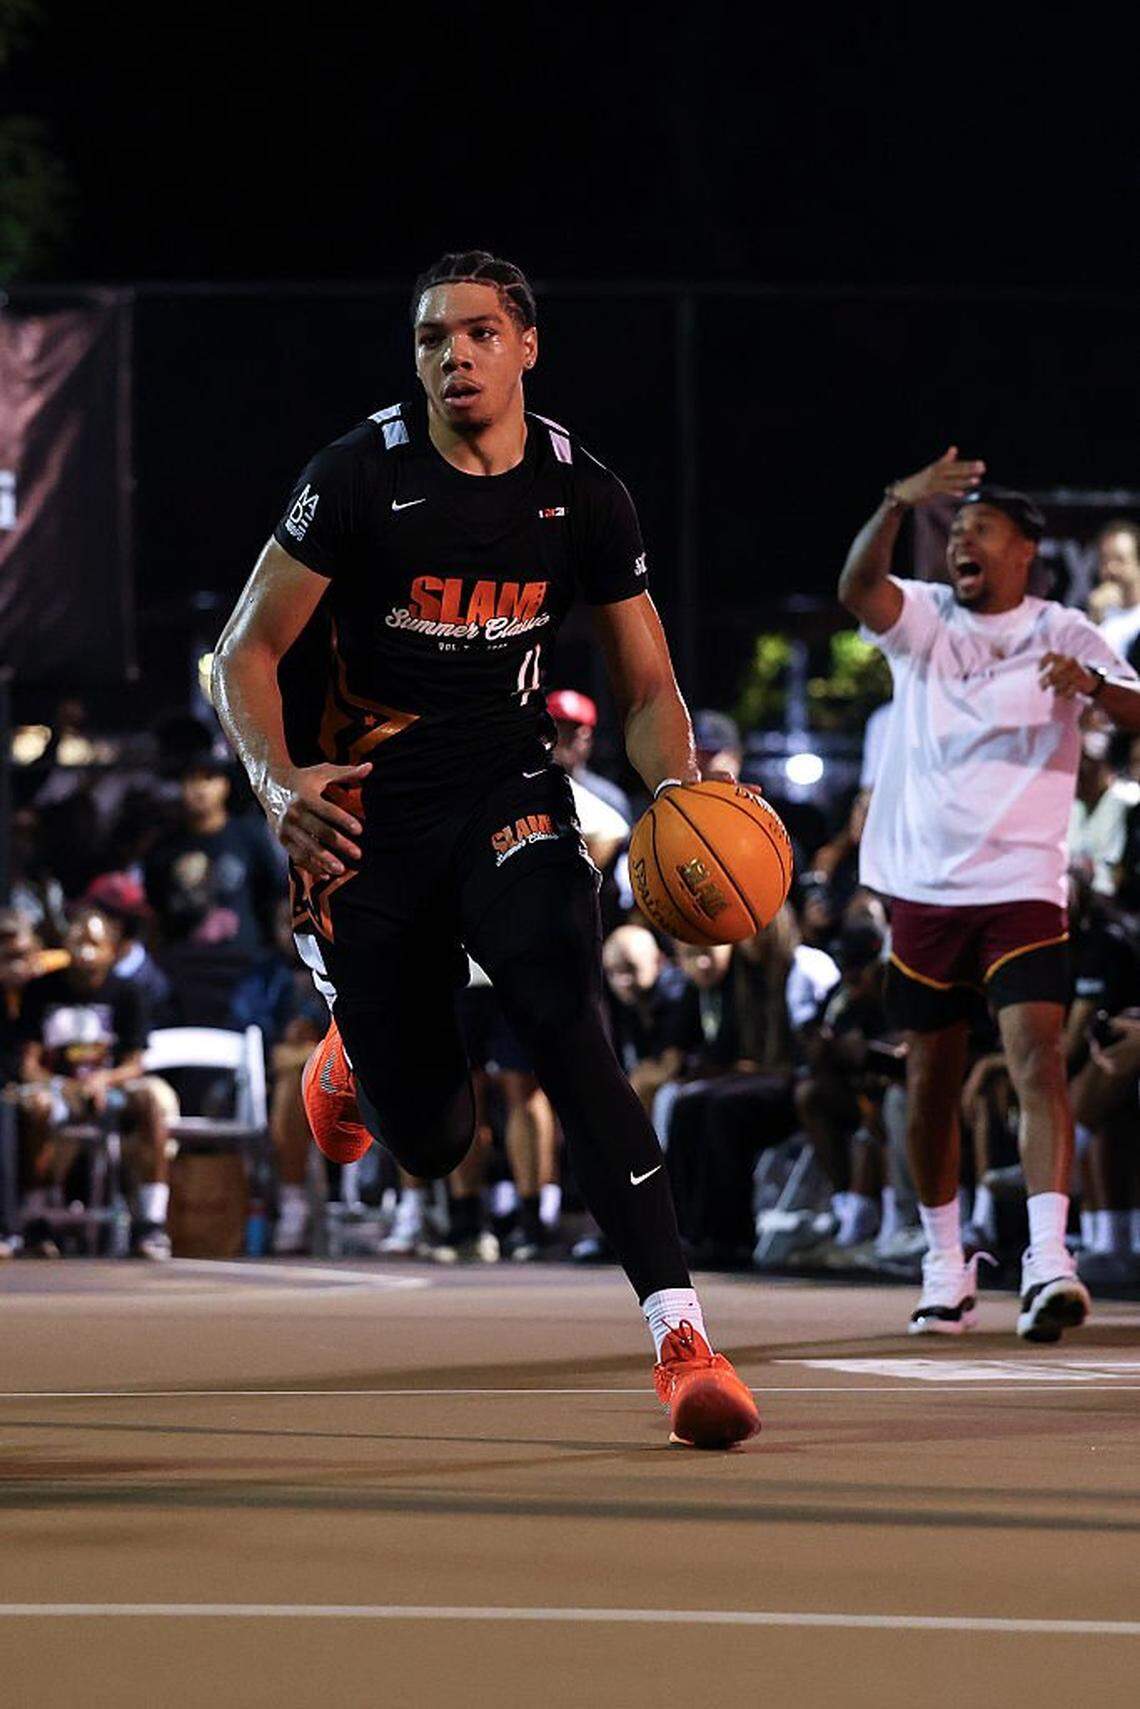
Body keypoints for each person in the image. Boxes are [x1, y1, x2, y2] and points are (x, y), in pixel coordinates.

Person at [210, 249, 759, 1448]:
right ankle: (359, 1045)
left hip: (510, 783)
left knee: (564, 1001)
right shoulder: (357, 475)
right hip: (370, 807)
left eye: (473, 332)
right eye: (428, 338)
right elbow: (242, 650)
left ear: (524, 346)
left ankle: (681, 1335)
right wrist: (275, 779)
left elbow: (649, 682)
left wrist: (678, 792)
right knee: (434, 1139)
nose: (449, 354)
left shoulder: (584, 493)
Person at [839, 445, 1140, 1341]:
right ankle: (946, 1262)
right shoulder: (924, 616)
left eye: (981, 531)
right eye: (955, 530)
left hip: (1021, 885)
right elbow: (859, 586)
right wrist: (897, 501)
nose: (961, 541)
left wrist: (1089, 687)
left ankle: (1050, 1259)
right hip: (925, 889)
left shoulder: (1061, 629)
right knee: (929, 1083)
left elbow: (1136, 705)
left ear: (1023, 555)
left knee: (1034, 1060)